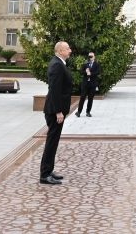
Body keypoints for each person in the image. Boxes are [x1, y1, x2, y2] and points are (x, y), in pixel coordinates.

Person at [39, 41, 72, 185]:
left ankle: (49, 170)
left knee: (53, 142)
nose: (70, 50)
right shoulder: (57, 65)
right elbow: (55, 90)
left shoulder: (59, 63)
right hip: (54, 111)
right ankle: (45, 175)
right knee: (51, 142)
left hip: (55, 109)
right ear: (60, 51)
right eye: (67, 48)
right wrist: (58, 111)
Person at [75, 52, 100, 117]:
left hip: (92, 84)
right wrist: (86, 72)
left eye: (91, 56)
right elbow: (81, 72)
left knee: (90, 98)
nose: (90, 57)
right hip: (85, 84)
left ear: (94, 57)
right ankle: (78, 112)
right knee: (82, 97)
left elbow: (98, 72)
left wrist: (90, 73)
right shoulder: (85, 63)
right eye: (89, 56)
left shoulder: (96, 64)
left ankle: (88, 112)